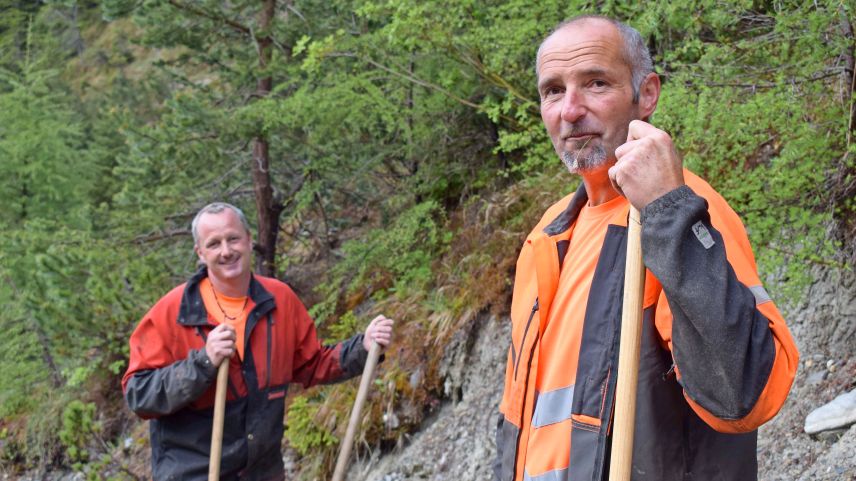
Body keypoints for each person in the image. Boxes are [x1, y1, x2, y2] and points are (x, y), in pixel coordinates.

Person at [493, 15, 798, 481]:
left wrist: (668, 210)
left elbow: (746, 395)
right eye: (553, 90)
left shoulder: (685, 215)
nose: (570, 110)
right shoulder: (547, 236)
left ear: (647, 94)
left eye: (595, 83)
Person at [123, 202, 394, 480]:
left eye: (233, 238)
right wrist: (203, 362)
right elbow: (139, 395)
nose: (226, 251)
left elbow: (312, 364)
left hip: (262, 473)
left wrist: (362, 347)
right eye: (214, 244)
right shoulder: (173, 312)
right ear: (200, 253)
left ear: (249, 240)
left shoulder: (279, 300)